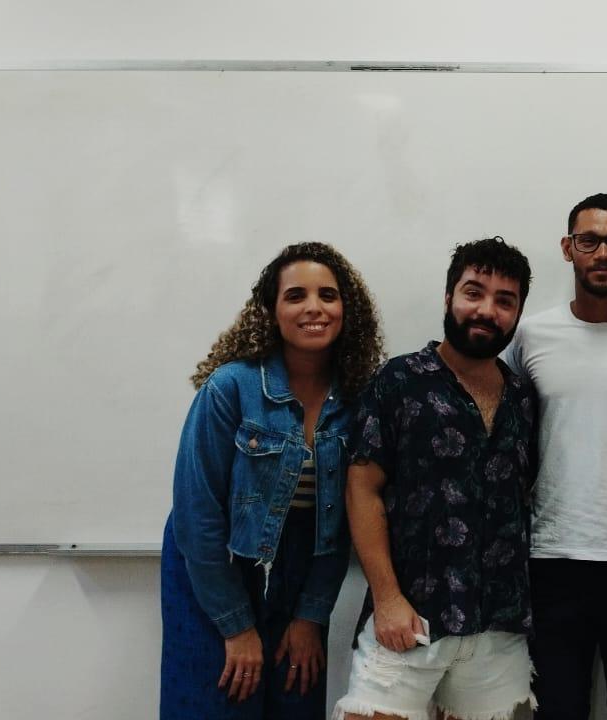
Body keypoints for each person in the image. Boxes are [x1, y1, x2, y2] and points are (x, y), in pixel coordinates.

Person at [161, 242, 385, 720]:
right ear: (272, 310)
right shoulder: (230, 388)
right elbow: (196, 515)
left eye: (328, 295)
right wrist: (235, 626)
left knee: (295, 700)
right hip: (217, 564)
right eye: (295, 296)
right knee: (221, 702)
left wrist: (310, 616)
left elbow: (344, 520)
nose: (314, 308)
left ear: (347, 309)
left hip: (304, 572)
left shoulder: (358, 401)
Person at [334, 237, 540, 720]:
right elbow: (361, 490)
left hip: (499, 631)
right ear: (449, 298)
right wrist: (386, 599)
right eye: (474, 292)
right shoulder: (399, 380)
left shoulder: (523, 397)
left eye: (504, 300)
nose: (487, 310)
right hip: (409, 620)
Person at [503, 193, 607, 720]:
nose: (602, 252)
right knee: (558, 710)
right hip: (552, 561)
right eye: (589, 240)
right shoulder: (531, 334)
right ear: (567, 248)